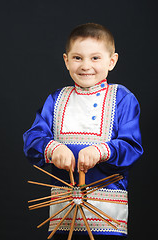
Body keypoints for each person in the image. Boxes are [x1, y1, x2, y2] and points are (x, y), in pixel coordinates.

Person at [23, 23, 143, 239]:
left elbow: (132, 147)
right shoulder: (56, 99)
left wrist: (101, 151)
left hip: (107, 214)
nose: (86, 65)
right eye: (78, 58)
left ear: (112, 61)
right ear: (66, 60)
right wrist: (52, 148)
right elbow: (32, 140)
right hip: (63, 213)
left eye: (95, 58)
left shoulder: (123, 98)